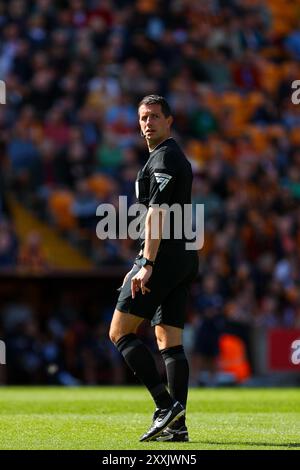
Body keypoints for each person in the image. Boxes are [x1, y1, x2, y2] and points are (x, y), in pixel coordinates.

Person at [109, 95, 199, 442]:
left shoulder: (165, 156)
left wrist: (145, 263)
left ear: (169, 121)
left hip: (165, 256)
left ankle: (166, 407)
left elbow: (158, 214)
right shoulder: (164, 157)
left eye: (155, 117)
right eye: (143, 117)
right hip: (182, 257)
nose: (148, 123)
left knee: (119, 332)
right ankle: (177, 428)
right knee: (169, 340)